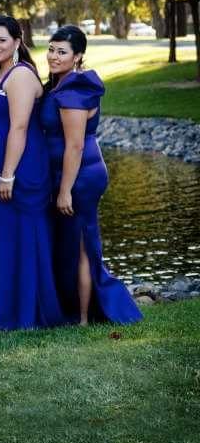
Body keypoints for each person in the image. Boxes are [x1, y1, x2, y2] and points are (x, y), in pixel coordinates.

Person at [41, 26, 141, 325]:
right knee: (72, 241)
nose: (54, 56)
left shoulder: (75, 89)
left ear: (78, 56)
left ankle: (84, 317)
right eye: (51, 49)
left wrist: (65, 190)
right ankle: (76, 309)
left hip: (80, 175)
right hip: (70, 173)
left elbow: (74, 145)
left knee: (83, 243)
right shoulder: (61, 84)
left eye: (62, 52)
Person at [0, 15, 62, 330]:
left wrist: (7, 174)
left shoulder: (21, 75)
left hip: (20, 169)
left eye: (2, 39)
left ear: (17, 41)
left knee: (24, 238)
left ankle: (27, 313)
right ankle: (5, 312)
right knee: (5, 239)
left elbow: (20, 126)